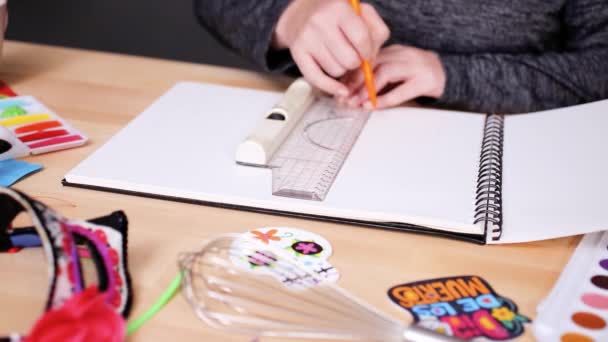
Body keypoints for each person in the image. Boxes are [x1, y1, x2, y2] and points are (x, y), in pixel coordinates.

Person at [195, 0, 608, 113]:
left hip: (517, 156)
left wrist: (450, 75)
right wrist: (288, 15)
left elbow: (600, 66)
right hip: (326, 120)